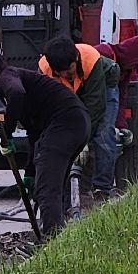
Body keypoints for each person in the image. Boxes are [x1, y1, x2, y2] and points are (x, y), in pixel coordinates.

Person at [0, 43, 91, 238]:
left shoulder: (8, 77)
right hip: (76, 123)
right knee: (54, 184)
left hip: (66, 122)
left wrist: (5, 134)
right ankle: (63, 237)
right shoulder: (12, 84)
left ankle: (52, 242)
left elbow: (17, 94)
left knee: (47, 188)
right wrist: (30, 172)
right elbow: (34, 133)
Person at [39, 36, 121, 199]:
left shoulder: (91, 59)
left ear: (76, 58)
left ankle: (102, 188)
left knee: (104, 134)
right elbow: (48, 105)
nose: (67, 75)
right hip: (72, 93)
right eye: (60, 73)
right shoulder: (45, 69)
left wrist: (80, 139)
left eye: (69, 70)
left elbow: (96, 106)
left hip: (103, 87)